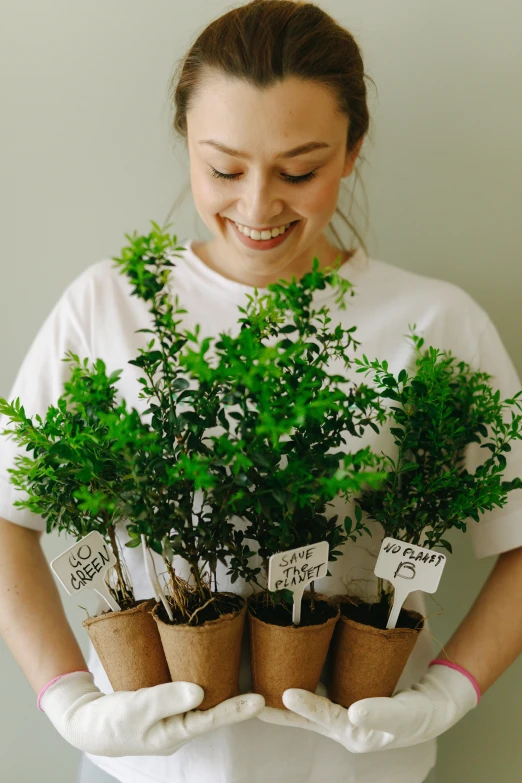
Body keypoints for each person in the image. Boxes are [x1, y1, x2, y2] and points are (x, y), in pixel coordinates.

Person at [1, 2, 522, 782]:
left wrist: (451, 690)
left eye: (299, 170)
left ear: (352, 150)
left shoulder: (436, 323)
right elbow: (10, 519)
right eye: (224, 168)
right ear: (186, 143)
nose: (256, 206)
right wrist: (66, 695)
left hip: (361, 770)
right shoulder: (107, 306)